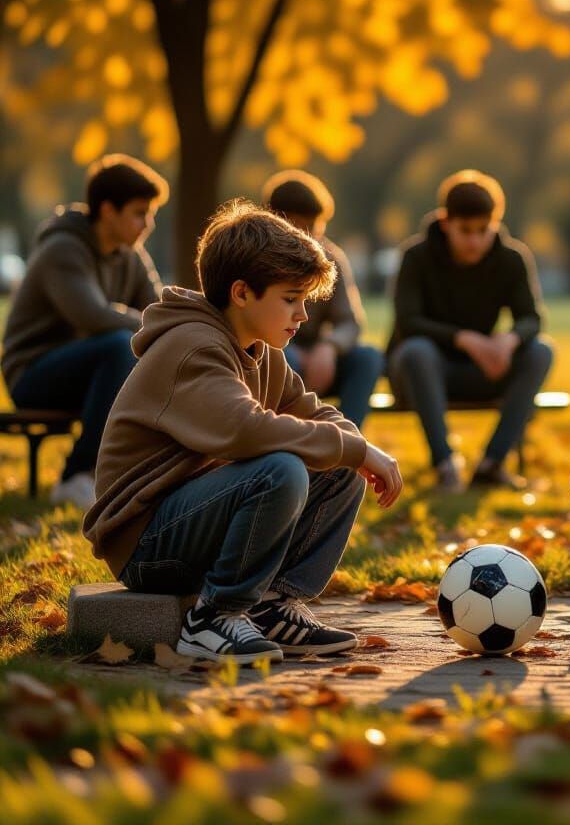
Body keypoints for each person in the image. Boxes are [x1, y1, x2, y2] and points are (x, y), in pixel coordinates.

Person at [83, 201, 403, 664]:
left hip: (195, 516)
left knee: (338, 469)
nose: (303, 315)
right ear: (241, 293)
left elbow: (311, 413)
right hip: (145, 541)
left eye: (305, 301)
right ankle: (213, 617)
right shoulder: (193, 346)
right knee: (281, 469)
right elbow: (245, 431)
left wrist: (357, 448)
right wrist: (354, 447)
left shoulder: (261, 349)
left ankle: (274, 605)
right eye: (290, 299)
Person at [1, 154, 167, 509]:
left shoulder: (130, 255)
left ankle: (149, 472)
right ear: (107, 210)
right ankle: (76, 475)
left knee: (155, 351)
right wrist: (158, 324)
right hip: (33, 374)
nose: (148, 224)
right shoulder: (63, 248)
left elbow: (159, 311)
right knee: (121, 345)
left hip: (91, 373)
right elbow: (91, 316)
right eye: (140, 213)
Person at [387, 170, 553, 491]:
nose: (475, 241)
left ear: (495, 223)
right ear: (446, 222)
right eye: (465, 231)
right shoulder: (416, 257)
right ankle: (445, 464)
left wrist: (509, 339)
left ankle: (492, 463)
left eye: (483, 230)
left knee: (540, 351)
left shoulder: (511, 258)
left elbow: (531, 317)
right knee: (417, 351)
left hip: (480, 371)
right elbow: (408, 322)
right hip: (418, 372)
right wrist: (464, 339)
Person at [262, 170, 383, 427]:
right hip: (274, 357)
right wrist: (288, 348)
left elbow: (350, 321)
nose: (310, 238)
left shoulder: (330, 257)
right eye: (300, 227)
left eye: (315, 228)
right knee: (285, 360)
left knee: (368, 357)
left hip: (320, 359)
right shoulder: (257, 258)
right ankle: (290, 440)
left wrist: (329, 347)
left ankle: (345, 443)